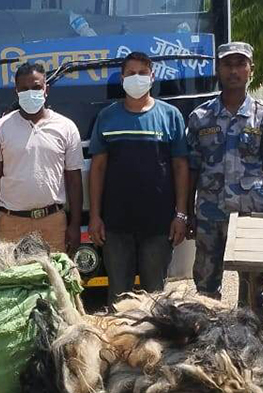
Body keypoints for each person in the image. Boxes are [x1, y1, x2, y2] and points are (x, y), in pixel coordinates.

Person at [186, 42, 263, 317]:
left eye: (240, 64)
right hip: (209, 213)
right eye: (228, 64)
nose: (234, 70)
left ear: (251, 69)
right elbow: (192, 167)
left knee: (252, 288)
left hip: (251, 214)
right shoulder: (200, 117)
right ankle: (207, 347)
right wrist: (188, 212)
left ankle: (251, 347)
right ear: (218, 69)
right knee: (205, 289)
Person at [88, 51, 190, 298]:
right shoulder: (107, 117)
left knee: (154, 297)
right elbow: (98, 169)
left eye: (142, 73)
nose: (136, 78)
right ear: (122, 79)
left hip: (158, 227)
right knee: (118, 296)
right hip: (116, 226)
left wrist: (181, 215)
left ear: (152, 77)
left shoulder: (170, 116)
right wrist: (94, 216)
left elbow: (180, 168)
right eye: (131, 73)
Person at [0, 62, 83, 254]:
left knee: (54, 281)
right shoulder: (1, 127)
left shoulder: (66, 127)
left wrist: (75, 225)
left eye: (36, 87)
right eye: (24, 89)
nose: (31, 93)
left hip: (53, 222)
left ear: (46, 89)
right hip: (11, 223)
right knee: (13, 281)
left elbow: (74, 179)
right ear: (16, 91)